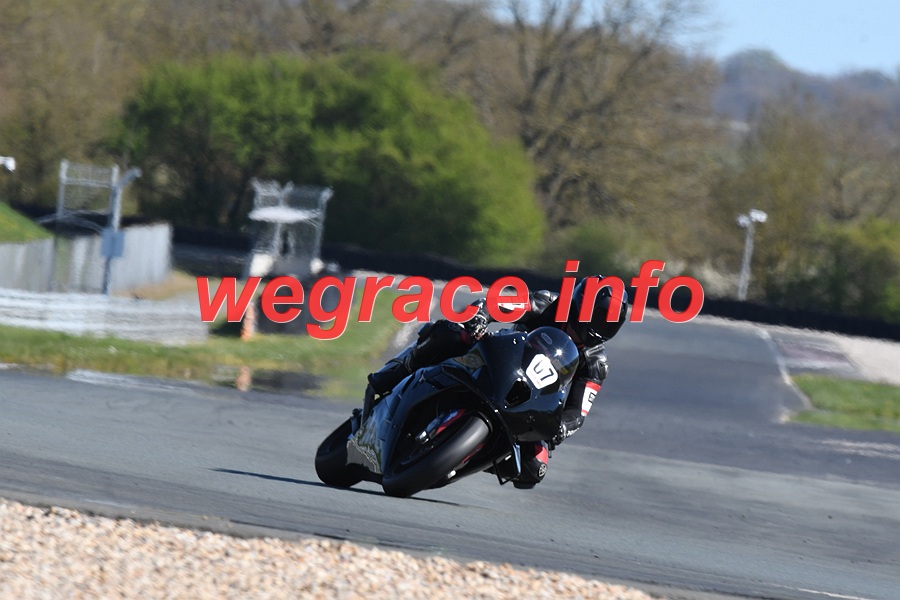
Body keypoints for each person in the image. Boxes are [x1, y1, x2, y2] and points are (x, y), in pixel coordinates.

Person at [363, 276, 628, 489]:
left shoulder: (596, 363)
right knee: (451, 334)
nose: (600, 325)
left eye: (610, 321)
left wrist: (562, 428)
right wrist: (482, 316)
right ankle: (395, 371)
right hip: (498, 363)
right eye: (599, 315)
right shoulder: (548, 303)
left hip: (526, 402)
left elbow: (577, 412)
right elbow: (501, 304)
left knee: (534, 468)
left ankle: (457, 460)